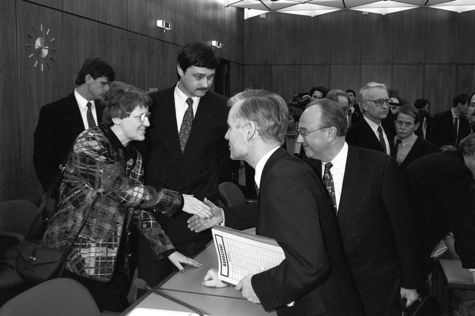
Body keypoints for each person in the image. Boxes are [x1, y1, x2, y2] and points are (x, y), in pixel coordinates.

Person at [188, 90, 364, 316]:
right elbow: (281, 224)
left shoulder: (284, 179)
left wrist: (259, 286)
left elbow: (309, 265)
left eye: (230, 127)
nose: (226, 136)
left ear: (250, 130)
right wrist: (238, 277)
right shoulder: (282, 169)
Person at [41, 82, 211, 312]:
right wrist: (179, 200)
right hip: (78, 257)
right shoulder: (90, 142)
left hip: (114, 259)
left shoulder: (133, 156)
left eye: (148, 117)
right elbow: (120, 188)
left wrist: (168, 250)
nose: (147, 124)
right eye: (141, 117)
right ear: (118, 117)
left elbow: (138, 206)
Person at [298, 98, 420, 316]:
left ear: (330, 133)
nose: (299, 138)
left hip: (374, 291)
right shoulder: (305, 171)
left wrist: (410, 282)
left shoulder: (379, 167)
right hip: (326, 291)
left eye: (305, 131)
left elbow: (404, 229)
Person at [137, 42, 233, 289]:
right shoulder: (152, 104)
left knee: (194, 288)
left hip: (198, 218)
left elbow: (225, 160)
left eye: (210, 77)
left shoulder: (222, 108)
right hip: (156, 217)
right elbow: (143, 158)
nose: (205, 84)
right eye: (198, 76)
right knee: (153, 290)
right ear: (180, 70)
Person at [34, 58, 115, 192]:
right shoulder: (53, 112)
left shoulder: (108, 111)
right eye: (103, 83)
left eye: (109, 84)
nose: (107, 89)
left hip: (105, 195)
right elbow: (42, 160)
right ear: (88, 78)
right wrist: (57, 192)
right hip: (69, 195)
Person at [405, 133, 475, 283]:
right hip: (412, 236)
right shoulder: (457, 171)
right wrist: (473, 266)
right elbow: (461, 220)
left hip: (410, 232)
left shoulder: (449, 160)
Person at [346, 82, 395, 155]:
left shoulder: (390, 127)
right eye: (379, 102)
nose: (385, 106)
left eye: (386, 101)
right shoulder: (354, 133)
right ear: (365, 105)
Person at [393, 105, 439, 169]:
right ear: (395, 122)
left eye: (408, 124)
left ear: (416, 126)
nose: (402, 127)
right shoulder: (387, 142)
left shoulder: (429, 148)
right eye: (400, 122)